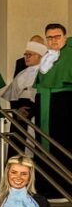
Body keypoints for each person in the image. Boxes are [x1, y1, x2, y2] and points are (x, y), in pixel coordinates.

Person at [35, 23, 71, 154]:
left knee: (62, 141)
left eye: (57, 37)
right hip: (44, 101)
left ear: (65, 38)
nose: (53, 40)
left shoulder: (69, 54)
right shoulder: (46, 56)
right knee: (42, 140)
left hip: (63, 103)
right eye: (49, 37)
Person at [2, 39, 47, 118]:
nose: (26, 57)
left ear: (40, 56)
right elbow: (12, 96)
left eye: (30, 54)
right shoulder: (21, 74)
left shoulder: (45, 73)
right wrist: (17, 110)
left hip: (38, 112)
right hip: (20, 114)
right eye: (25, 54)